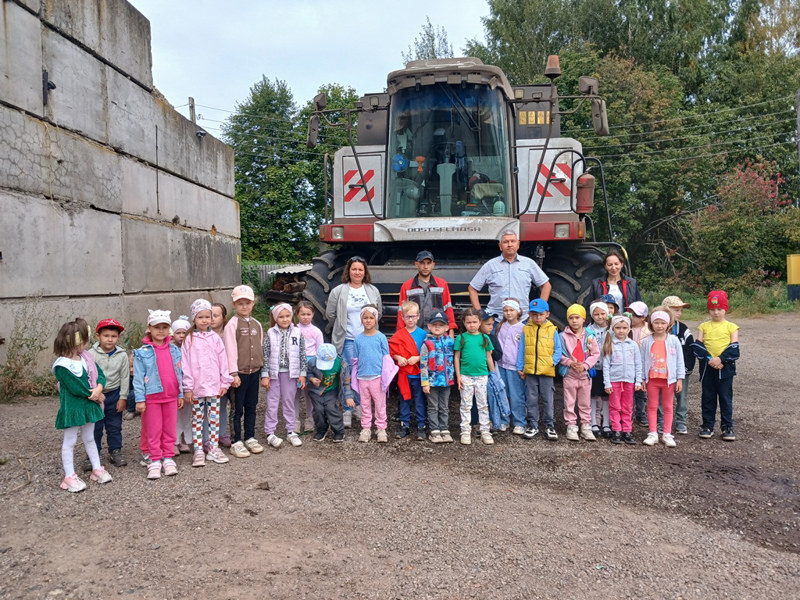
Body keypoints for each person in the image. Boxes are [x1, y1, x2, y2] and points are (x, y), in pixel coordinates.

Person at [53, 320, 112, 492]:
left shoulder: (86, 357)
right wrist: (96, 395)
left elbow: (99, 373)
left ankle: (97, 468)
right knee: (69, 441)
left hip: (88, 406)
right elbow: (75, 386)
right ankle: (69, 476)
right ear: (75, 342)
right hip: (74, 408)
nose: (87, 344)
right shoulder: (61, 365)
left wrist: (100, 386)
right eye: (84, 341)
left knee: (90, 438)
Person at [325, 256, 383, 428]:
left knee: (363, 373)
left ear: (365, 272)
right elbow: (330, 314)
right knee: (348, 373)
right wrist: (343, 326)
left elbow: (377, 313)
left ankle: (359, 406)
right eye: (354, 269)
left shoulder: (372, 291)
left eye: (360, 269)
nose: (357, 272)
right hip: (348, 338)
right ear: (348, 271)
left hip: (367, 339)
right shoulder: (339, 291)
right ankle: (349, 409)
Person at [133, 310, 184, 480]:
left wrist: (180, 394)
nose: (161, 331)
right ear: (149, 328)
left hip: (171, 396)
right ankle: (154, 459)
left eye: (164, 327)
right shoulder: (142, 352)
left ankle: (168, 457)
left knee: (169, 428)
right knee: (154, 429)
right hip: (152, 398)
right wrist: (140, 399)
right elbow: (138, 378)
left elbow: (180, 373)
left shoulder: (175, 350)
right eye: (157, 327)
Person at [182, 299, 232, 467]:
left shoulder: (216, 338)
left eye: (207, 317)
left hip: (214, 386)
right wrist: (188, 388)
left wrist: (225, 382)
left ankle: (213, 448)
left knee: (213, 418)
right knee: (197, 418)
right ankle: (197, 449)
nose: (204, 320)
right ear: (194, 319)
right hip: (197, 388)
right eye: (200, 317)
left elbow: (223, 361)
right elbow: (186, 364)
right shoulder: (189, 339)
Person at [468, 230, 551, 320]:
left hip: (523, 320)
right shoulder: (490, 265)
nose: (510, 244)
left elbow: (546, 285)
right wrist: (479, 314)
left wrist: (539, 309)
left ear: (518, 245)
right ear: (500, 246)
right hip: (496, 320)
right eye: (505, 242)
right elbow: (472, 288)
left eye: (513, 241)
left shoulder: (529, 264)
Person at [223, 285, 265, 459]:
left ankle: (250, 436)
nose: (244, 306)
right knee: (237, 408)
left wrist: (262, 370)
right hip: (239, 374)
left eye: (247, 303)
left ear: (253, 303)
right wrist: (233, 373)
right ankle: (236, 441)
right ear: (234, 304)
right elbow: (230, 350)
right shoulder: (232, 325)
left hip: (254, 371)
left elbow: (260, 346)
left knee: (251, 406)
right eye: (240, 303)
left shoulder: (257, 324)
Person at [692, 290, 740, 441]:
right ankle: (707, 425)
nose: (716, 312)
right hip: (708, 368)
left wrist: (720, 359)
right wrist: (710, 359)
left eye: (719, 309)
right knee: (708, 397)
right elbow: (697, 345)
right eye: (713, 309)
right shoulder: (704, 326)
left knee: (725, 398)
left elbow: (734, 348)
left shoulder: (732, 327)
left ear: (725, 309)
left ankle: (727, 426)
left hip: (725, 368)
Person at [261, 303, 308, 449]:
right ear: (275, 318)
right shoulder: (270, 333)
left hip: (291, 374)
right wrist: (265, 374)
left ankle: (291, 431)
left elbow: (302, 354)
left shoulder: (297, 332)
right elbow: (266, 354)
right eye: (281, 317)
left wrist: (303, 374)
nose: (285, 319)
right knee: (272, 403)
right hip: (274, 374)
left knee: (289, 402)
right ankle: (270, 432)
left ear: (292, 316)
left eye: (287, 316)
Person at [86, 318, 129, 469]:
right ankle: (92, 454)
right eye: (106, 335)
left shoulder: (122, 355)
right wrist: (94, 393)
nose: (110, 339)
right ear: (98, 336)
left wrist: (123, 397)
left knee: (114, 425)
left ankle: (115, 451)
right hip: (96, 396)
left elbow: (125, 377)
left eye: (114, 336)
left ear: (118, 337)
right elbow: (87, 376)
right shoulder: (90, 354)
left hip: (114, 394)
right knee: (95, 426)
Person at [516, 299, 561, 441]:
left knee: (548, 399)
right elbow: (522, 349)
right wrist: (520, 366)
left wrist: (551, 363)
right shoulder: (526, 329)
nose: (537, 318)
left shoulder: (553, 330)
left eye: (541, 314)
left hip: (546, 372)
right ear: (529, 314)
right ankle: (533, 425)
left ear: (547, 314)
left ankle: (550, 426)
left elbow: (558, 350)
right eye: (534, 314)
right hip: (530, 371)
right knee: (532, 399)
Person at [640, 308, 685, 448]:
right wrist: (642, 378)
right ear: (652, 324)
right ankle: (653, 433)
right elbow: (642, 360)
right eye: (656, 323)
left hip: (668, 380)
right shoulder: (647, 341)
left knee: (667, 406)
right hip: (652, 378)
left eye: (662, 323)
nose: (659, 326)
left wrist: (679, 378)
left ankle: (667, 433)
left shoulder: (674, 340)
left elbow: (679, 360)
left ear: (668, 324)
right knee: (652, 406)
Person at [559, 304, 600, 442]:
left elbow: (595, 354)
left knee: (585, 402)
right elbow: (559, 354)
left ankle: (586, 426)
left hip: (585, 375)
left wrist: (585, 365)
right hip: (570, 374)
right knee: (569, 401)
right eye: (571, 318)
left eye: (577, 317)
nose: (574, 321)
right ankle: (571, 425)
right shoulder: (562, 336)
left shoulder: (590, 336)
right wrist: (570, 363)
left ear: (583, 319)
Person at [455, 308, 496, 446]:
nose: (472, 325)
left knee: (483, 404)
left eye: (474, 322)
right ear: (464, 323)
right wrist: (458, 375)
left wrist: (494, 374)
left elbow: (488, 356)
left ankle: (485, 430)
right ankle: (465, 431)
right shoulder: (461, 338)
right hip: (466, 376)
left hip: (482, 376)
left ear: (479, 323)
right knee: (466, 405)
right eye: (468, 322)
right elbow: (457, 357)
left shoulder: (485, 338)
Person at [389, 300, 428, 440]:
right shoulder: (399, 334)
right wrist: (398, 357)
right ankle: (404, 425)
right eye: (407, 316)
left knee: (420, 400)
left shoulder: (423, 334)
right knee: (404, 399)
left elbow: (429, 352)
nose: (410, 319)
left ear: (418, 316)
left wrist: (418, 358)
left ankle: (421, 426)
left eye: (413, 316)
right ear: (402, 317)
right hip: (404, 375)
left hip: (419, 375)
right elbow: (391, 350)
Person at [353, 305, 392, 443]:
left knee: (380, 404)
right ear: (361, 320)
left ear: (376, 320)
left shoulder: (381, 337)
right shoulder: (358, 339)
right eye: (365, 318)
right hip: (362, 378)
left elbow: (386, 359)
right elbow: (355, 360)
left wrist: (385, 377)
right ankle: (366, 428)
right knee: (364, 404)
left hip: (377, 377)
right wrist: (354, 378)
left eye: (371, 317)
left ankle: (381, 428)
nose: (368, 320)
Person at [602, 315, 642, 445]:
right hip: (614, 381)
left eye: (624, 328)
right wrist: (607, 382)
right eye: (618, 328)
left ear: (628, 328)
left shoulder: (633, 345)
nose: (621, 331)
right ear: (613, 328)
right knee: (614, 406)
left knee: (627, 406)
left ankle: (627, 430)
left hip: (629, 381)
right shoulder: (610, 344)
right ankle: (616, 430)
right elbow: (606, 365)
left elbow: (638, 364)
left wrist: (638, 381)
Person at [395, 251, 457, 334]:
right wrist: (400, 334)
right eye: (422, 263)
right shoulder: (407, 286)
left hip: (437, 334)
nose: (425, 266)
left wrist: (451, 331)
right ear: (416, 264)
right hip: (414, 334)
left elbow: (448, 310)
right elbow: (401, 313)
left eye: (428, 263)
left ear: (433, 265)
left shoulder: (442, 285)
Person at [419, 310, 455, 443]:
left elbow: (456, 358)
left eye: (441, 325)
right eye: (435, 324)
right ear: (429, 326)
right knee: (433, 406)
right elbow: (423, 364)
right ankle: (434, 430)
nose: (438, 327)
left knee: (444, 406)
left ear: (446, 327)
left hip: (447, 381)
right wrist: (425, 382)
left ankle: (444, 429)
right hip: (432, 382)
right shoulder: (426, 343)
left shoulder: (451, 342)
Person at [662, 296, 696, 435]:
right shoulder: (657, 327)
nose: (679, 313)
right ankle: (661, 420)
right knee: (660, 396)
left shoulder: (683, 329)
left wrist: (687, 368)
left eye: (680, 310)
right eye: (676, 310)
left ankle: (681, 421)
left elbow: (690, 349)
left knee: (681, 396)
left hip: (680, 371)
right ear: (666, 310)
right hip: (661, 370)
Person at [306, 343, 352, 443]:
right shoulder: (312, 362)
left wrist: (348, 396)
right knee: (318, 410)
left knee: (331, 409)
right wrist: (311, 378)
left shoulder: (342, 364)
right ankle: (321, 429)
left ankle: (339, 431)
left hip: (332, 390)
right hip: (316, 391)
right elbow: (308, 372)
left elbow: (347, 381)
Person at [495, 298, 526, 435]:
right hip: (501, 365)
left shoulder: (523, 328)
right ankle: (504, 420)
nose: (508, 313)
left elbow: (523, 349)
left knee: (517, 395)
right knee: (503, 394)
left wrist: (522, 366)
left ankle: (519, 422)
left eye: (511, 310)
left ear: (518, 311)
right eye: (505, 310)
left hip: (515, 367)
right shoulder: (500, 326)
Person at [295, 301, 324, 433]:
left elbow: (320, 351)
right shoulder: (294, 329)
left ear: (313, 315)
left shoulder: (316, 331)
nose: (305, 317)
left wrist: (318, 370)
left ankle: (309, 419)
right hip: (296, 364)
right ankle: (294, 420)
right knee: (295, 393)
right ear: (297, 315)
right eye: (302, 314)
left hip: (311, 364)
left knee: (309, 394)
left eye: (308, 314)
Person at [586, 301, 611, 438]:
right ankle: (593, 423)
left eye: (602, 313)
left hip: (608, 369)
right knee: (593, 395)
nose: (600, 316)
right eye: (596, 314)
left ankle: (606, 423)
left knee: (606, 396)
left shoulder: (612, 329)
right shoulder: (589, 330)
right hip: (594, 368)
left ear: (607, 314)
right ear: (592, 315)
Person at [210, 302, 232, 447]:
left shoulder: (228, 335)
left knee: (223, 405)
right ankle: (209, 434)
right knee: (210, 407)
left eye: (215, 316)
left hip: (227, 376)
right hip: (210, 377)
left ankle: (222, 432)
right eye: (209, 315)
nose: (212, 319)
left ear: (224, 318)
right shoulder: (203, 336)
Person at [171, 315, 193, 455]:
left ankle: (185, 439)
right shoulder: (170, 349)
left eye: (184, 333)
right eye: (178, 333)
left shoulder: (191, 347)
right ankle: (173, 440)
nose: (181, 336)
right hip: (174, 387)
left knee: (187, 413)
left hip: (188, 386)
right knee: (174, 415)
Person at [627, 301, 651, 427]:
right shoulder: (625, 327)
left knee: (641, 391)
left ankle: (641, 413)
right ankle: (628, 414)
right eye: (629, 314)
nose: (631, 317)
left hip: (642, 364)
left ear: (642, 317)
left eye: (634, 315)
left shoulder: (648, 330)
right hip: (628, 364)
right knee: (628, 391)